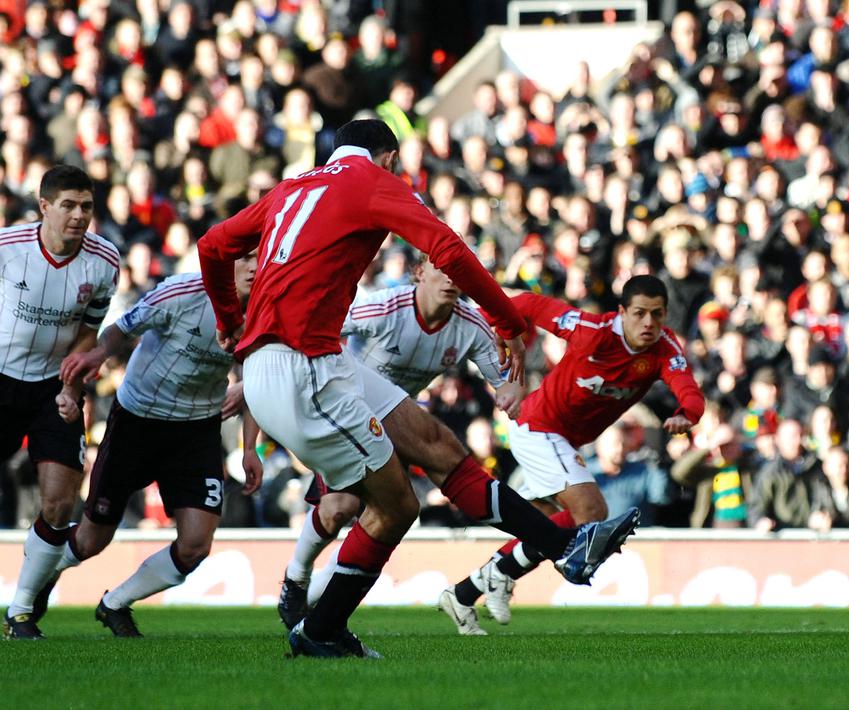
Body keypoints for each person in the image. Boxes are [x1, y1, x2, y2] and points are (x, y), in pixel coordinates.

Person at [197, 119, 639, 658]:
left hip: (314, 358)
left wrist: (228, 320)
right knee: (396, 505)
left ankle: (568, 547)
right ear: (388, 158)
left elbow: (215, 244)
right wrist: (508, 320)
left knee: (438, 446)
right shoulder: (371, 181)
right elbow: (448, 249)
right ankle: (319, 627)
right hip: (302, 368)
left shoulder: (293, 187)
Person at [438, 275, 705, 636]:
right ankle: (507, 574)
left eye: (657, 315)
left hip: (566, 439)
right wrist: (494, 329)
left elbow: (688, 389)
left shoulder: (665, 349)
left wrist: (687, 414)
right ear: (621, 312)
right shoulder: (592, 331)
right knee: (592, 511)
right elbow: (530, 304)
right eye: (640, 313)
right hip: (539, 427)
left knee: (548, 524)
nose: (649, 323)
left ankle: (466, 592)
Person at [17, 259, 264, 638]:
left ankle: (114, 602)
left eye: (260, 257)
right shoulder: (183, 292)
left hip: (197, 429)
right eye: (245, 258)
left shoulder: (269, 306)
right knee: (90, 540)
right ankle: (42, 580)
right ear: (226, 262)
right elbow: (121, 328)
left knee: (196, 545)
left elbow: (264, 376)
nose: (253, 266)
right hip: (138, 420)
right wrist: (99, 355)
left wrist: (250, 447)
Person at [276, 255, 526, 629]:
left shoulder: (470, 325)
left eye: (459, 272)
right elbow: (319, 332)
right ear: (419, 273)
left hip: (396, 427)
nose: (450, 279)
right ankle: (296, 580)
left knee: (378, 521)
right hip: (347, 416)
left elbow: (504, 378)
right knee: (340, 508)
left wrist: (511, 392)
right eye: (441, 268)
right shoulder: (383, 308)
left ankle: (311, 606)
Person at [2, 166, 120, 640]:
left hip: (54, 386)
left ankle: (22, 611)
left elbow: (89, 331)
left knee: (60, 501)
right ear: (44, 206)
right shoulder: (8, 249)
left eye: (86, 206)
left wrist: (72, 388)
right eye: (68, 205)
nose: (78, 216)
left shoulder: (104, 260)